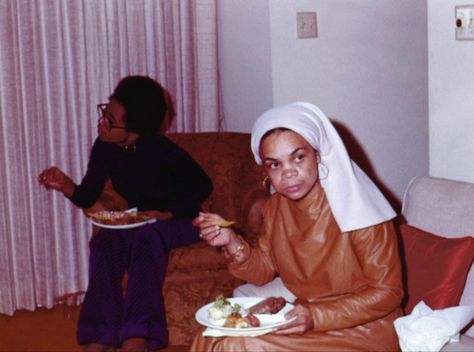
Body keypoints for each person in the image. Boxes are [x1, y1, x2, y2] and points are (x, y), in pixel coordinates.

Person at [192, 102, 403, 351]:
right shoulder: (274, 209)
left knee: (238, 346)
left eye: (298, 158)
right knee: (209, 337)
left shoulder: (361, 208)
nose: (288, 173)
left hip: (365, 329)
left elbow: (389, 292)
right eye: (275, 164)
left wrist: (317, 315)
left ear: (319, 154)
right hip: (306, 320)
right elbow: (262, 271)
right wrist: (231, 241)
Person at [38, 76, 212, 352]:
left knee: (146, 237)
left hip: (183, 221)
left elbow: (203, 186)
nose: (102, 123)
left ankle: (137, 337)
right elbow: (88, 194)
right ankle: (99, 336)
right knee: (106, 239)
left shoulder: (163, 151)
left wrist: (166, 213)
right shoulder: (105, 147)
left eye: (111, 119)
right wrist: (66, 185)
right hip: (143, 221)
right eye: (104, 113)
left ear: (135, 128)